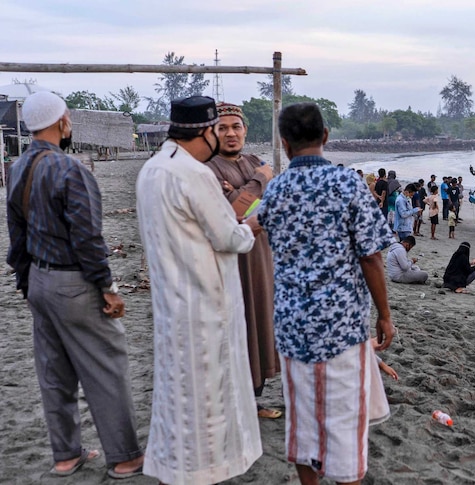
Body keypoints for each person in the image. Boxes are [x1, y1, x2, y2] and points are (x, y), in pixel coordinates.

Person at [5, 91, 145, 479]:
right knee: (106, 368)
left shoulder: (16, 168)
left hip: (38, 281)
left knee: (54, 373)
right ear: (63, 122)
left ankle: (66, 456)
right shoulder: (71, 170)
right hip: (74, 282)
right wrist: (107, 287)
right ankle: (125, 458)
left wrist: (24, 282)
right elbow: (87, 238)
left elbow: (15, 235)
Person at [258, 102, 395, 485]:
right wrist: (384, 315)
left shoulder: (276, 189)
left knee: (303, 422)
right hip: (341, 328)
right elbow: (371, 257)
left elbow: (258, 227)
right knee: (344, 424)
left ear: (284, 144)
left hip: (291, 327)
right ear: (326, 136)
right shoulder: (347, 183)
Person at [136, 96, 262, 484]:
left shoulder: (152, 169)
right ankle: (203, 472)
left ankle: (175, 465)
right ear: (206, 132)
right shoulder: (194, 174)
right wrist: (254, 225)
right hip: (205, 304)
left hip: (172, 299)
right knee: (210, 398)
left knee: (179, 393)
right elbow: (230, 236)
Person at [205, 102, 282, 419]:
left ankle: (254, 399)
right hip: (230, 261)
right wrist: (256, 184)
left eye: (236, 126)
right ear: (212, 132)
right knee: (238, 326)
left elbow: (271, 207)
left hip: (261, 256)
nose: (230, 133)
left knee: (262, 322)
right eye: (222, 128)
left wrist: (239, 192)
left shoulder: (255, 162)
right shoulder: (208, 168)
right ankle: (236, 401)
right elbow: (233, 214)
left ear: (245, 130)